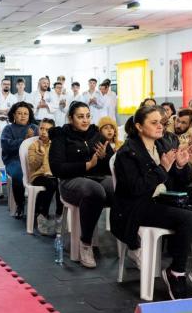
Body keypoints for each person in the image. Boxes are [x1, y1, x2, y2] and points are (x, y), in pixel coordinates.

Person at [111, 105, 192, 299]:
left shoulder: (161, 146)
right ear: (139, 126)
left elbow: (180, 182)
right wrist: (163, 168)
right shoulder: (127, 153)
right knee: (188, 218)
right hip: (135, 207)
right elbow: (136, 189)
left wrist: (180, 165)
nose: (160, 126)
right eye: (154, 122)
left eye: (161, 122)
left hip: (161, 200)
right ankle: (176, 272)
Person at [49, 101, 114, 268]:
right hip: (70, 181)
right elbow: (57, 169)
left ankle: (130, 241)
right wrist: (87, 165)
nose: (85, 120)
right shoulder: (60, 137)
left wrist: (104, 157)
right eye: (80, 117)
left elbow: (114, 165)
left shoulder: (97, 135)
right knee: (95, 190)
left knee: (120, 186)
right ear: (71, 118)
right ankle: (86, 243)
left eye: (87, 116)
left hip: (97, 177)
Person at [1, 101, 39, 219]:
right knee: (18, 174)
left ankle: (39, 208)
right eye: (19, 113)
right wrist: (25, 140)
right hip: (14, 160)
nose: (23, 116)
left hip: (34, 160)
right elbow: (6, 146)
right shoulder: (8, 129)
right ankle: (20, 205)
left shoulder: (35, 128)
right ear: (13, 115)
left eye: (25, 113)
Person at [27, 118, 63, 235]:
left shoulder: (57, 144)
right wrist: (40, 154)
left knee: (60, 184)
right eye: (41, 128)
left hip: (54, 175)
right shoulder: (34, 145)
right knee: (50, 183)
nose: (43, 132)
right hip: (38, 176)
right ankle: (42, 215)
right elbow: (32, 165)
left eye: (47, 129)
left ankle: (59, 216)